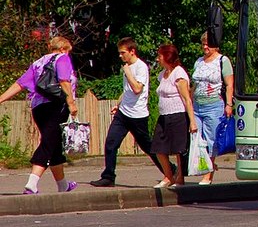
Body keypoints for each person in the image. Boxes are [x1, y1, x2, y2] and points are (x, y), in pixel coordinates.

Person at [0, 36, 79, 195]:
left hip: (38, 108)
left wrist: (1, 98)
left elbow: (20, 84)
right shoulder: (62, 58)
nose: (68, 55)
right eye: (68, 51)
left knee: (54, 145)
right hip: (56, 107)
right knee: (48, 143)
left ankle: (63, 185)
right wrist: (71, 103)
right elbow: (64, 81)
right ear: (63, 49)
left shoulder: (38, 63)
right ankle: (32, 183)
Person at [91, 37, 166, 187]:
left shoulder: (140, 67)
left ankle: (170, 170)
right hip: (123, 113)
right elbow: (127, 91)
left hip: (137, 115)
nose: (120, 56)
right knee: (111, 142)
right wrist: (119, 104)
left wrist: (128, 73)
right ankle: (108, 176)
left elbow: (137, 89)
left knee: (147, 146)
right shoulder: (127, 67)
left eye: (123, 52)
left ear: (132, 51)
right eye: (119, 53)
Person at [151, 44, 197, 188]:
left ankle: (180, 178)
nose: (158, 59)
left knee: (178, 149)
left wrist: (192, 121)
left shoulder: (179, 73)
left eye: (160, 56)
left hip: (178, 116)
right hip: (164, 116)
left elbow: (187, 99)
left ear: (167, 56)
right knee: (158, 147)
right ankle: (168, 176)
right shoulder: (162, 75)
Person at [191, 31, 234, 185]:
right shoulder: (199, 62)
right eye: (203, 43)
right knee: (198, 140)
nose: (205, 46)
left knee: (211, 140)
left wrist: (229, 104)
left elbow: (229, 84)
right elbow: (194, 85)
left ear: (216, 45)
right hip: (197, 105)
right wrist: (189, 103)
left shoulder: (223, 60)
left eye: (208, 43)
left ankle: (208, 175)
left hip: (214, 105)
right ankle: (208, 167)